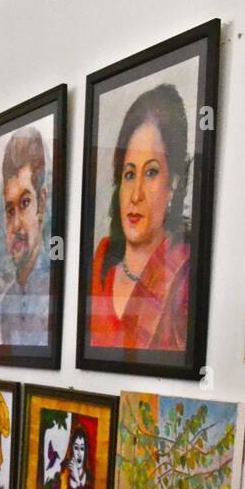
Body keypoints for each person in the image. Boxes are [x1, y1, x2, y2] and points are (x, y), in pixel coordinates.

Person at [90, 83, 192, 352]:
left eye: (151, 173)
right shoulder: (100, 264)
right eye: (129, 174)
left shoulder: (184, 272)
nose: (135, 195)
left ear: (174, 183)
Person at [0, 127, 52, 347]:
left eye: (25, 203)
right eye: (10, 211)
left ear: (42, 203)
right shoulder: (2, 308)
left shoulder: (55, 299)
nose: (15, 225)